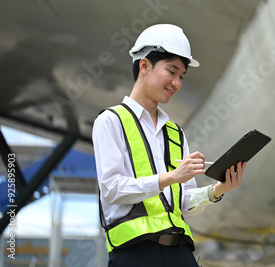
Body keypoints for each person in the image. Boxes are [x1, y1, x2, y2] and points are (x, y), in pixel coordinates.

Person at [92, 24, 246, 267]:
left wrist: (217, 190)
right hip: (134, 254)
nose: (177, 83)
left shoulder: (175, 133)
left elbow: (183, 202)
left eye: (182, 76)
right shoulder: (110, 121)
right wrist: (172, 176)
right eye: (172, 72)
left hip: (180, 254)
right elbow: (112, 189)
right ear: (144, 65)